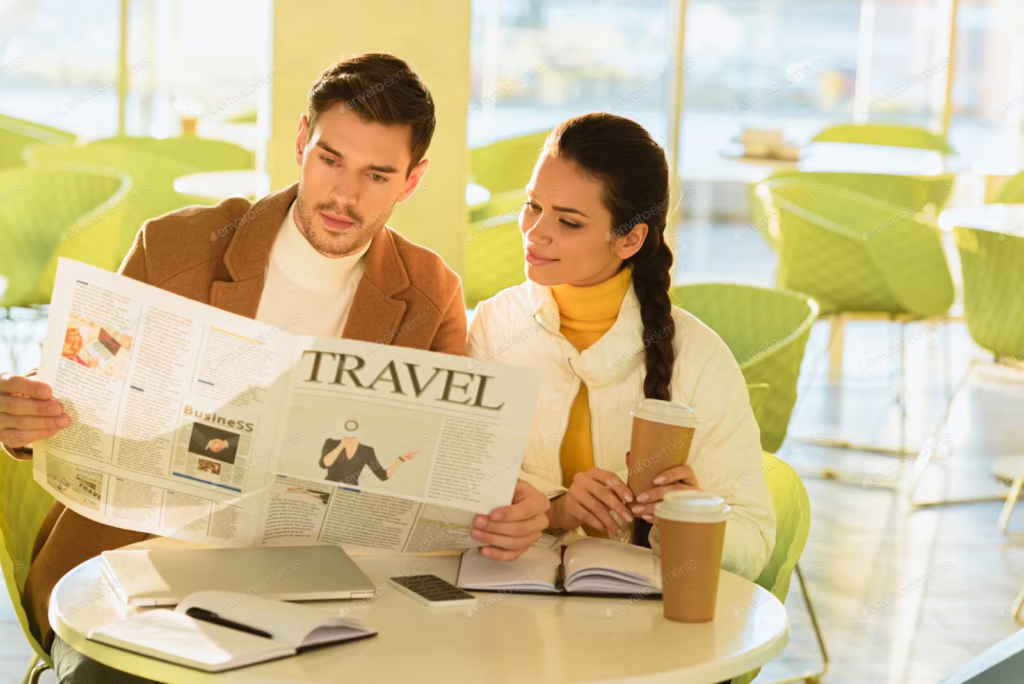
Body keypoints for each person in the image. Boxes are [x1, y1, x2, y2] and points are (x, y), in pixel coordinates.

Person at [0, 53, 548, 682]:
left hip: (312, 589)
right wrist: (24, 415)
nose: (345, 195)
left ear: (412, 181)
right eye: (330, 160)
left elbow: (440, 479)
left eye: (377, 175)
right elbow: (72, 397)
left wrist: (504, 505)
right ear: (300, 142)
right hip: (139, 574)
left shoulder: (429, 295)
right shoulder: (175, 247)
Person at [465, 112, 775, 581]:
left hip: (647, 632)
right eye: (533, 205)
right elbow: (458, 489)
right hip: (510, 614)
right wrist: (555, 510)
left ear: (629, 238)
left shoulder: (699, 357)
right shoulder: (494, 326)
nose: (535, 231)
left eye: (568, 222)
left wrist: (690, 520)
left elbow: (754, 544)